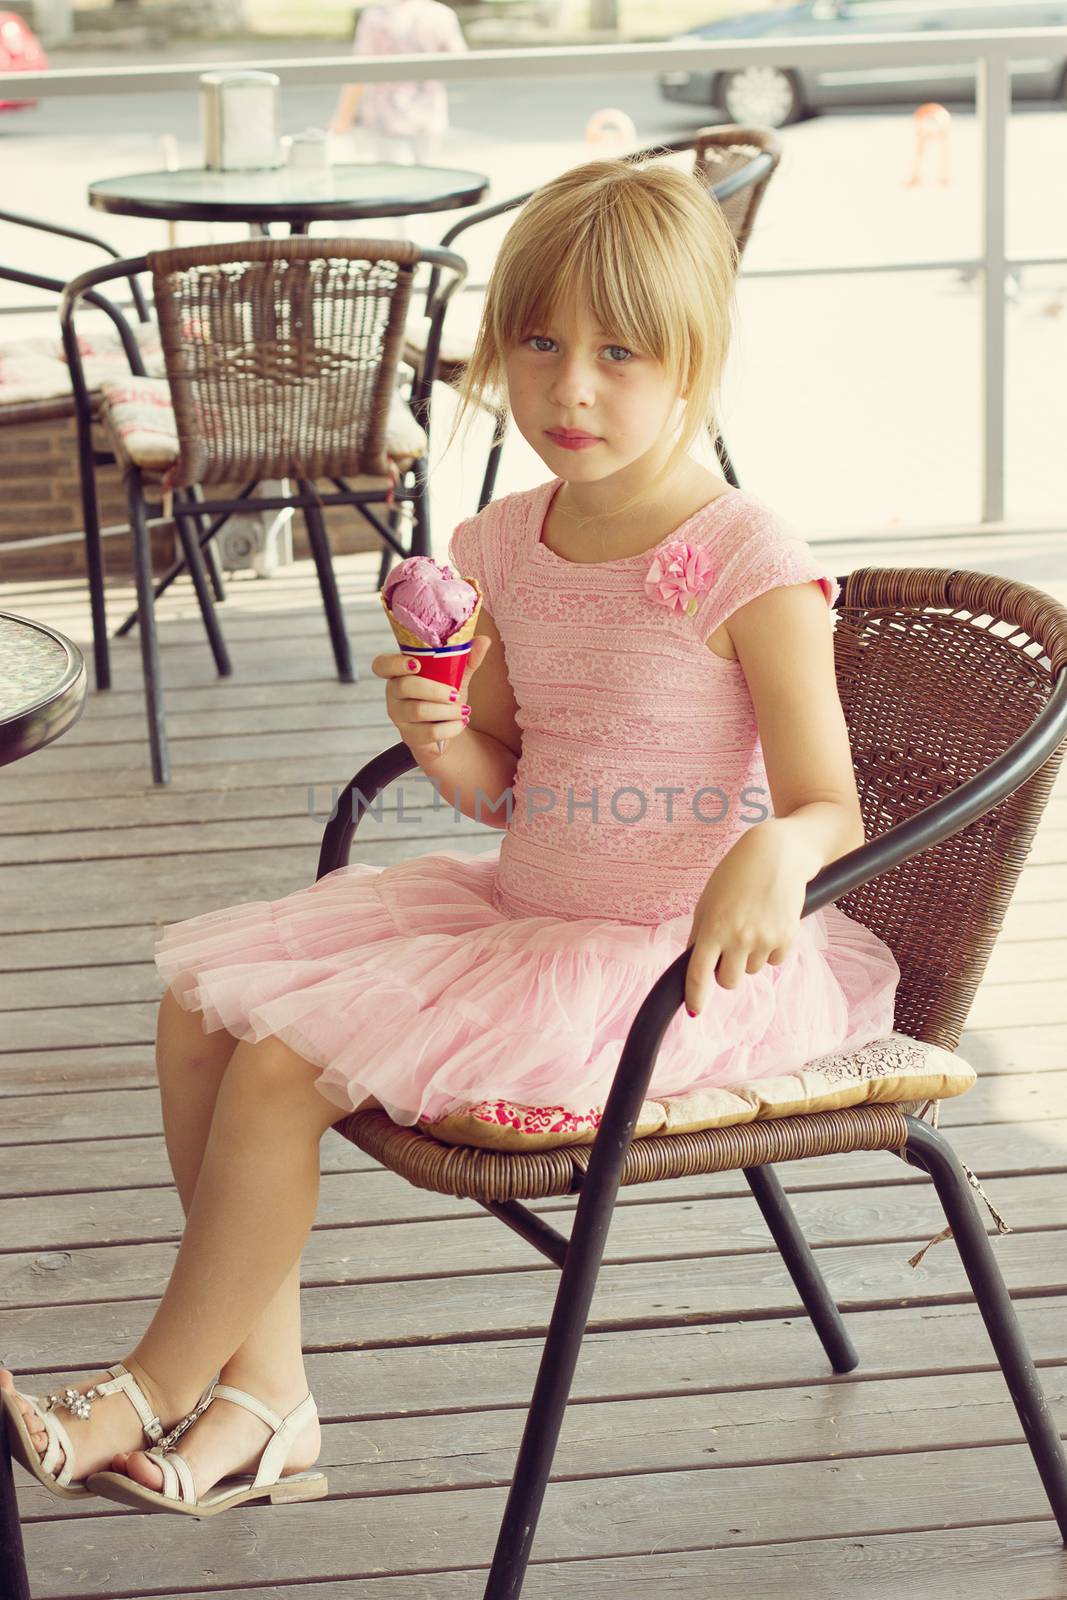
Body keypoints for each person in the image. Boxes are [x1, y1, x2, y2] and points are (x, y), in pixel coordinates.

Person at [1, 158, 901, 1514]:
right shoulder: (496, 541)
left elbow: (824, 798)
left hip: (659, 974)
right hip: (514, 911)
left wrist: (775, 849)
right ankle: (268, 1393)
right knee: (202, 1015)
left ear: (695, 360)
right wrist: (442, 741)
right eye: (537, 343)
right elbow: (506, 787)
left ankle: (150, 1384)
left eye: (617, 352)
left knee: (282, 1063)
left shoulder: (743, 555)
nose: (569, 389)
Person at [328, 0, 467, 166]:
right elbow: (459, 63)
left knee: (394, 180)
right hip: (429, 114)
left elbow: (359, 70)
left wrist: (344, 115)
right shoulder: (441, 14)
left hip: (385, 116)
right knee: (429, 177)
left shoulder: (376, 16)